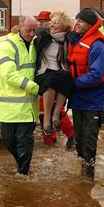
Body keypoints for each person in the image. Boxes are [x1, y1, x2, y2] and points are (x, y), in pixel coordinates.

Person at [67, 8, 104, 179]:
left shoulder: (98, 45)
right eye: (76, 20)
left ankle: (88, 179)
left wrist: (72, 84)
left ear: (90, 24)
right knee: (79, 141)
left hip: (93, 100)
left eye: (81, 21)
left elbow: (96, 75)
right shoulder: (78, 40)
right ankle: (82, 173)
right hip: (78, 99)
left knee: (89, 142)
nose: (77, 23)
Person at [0, 15, 39, 175]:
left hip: (28, 109)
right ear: (18, 27)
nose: (32, 33)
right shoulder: (5, 46)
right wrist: (36, 88)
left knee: (25, 142)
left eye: (34, 30)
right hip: (8, 108)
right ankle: (22, 167)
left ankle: (23, 174)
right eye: (28, 30)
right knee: (9, 142)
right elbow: (9, 75)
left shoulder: (36, 44)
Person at [34, 10, 75, 145]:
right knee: (43, 111)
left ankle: (70, 135)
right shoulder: (41, 36)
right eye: (39, 21)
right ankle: (49, 140)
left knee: (58, 110)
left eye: (44, 21)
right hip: (45, 77)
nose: (42, 24)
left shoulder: (68, 39)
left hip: (59, 77)